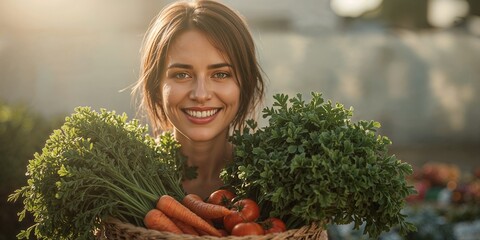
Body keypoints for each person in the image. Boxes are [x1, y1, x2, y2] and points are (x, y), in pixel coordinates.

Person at [132, 0, 265, 199]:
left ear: (244, 84)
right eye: (181, 75)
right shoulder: (129, 179)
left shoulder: (270, 180)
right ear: (156, 86)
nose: (201, 95)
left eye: (220, 74)